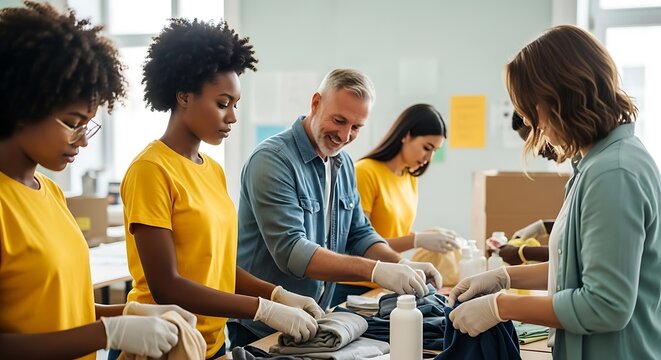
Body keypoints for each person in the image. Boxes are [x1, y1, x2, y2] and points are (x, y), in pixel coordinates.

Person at [448, 25, 661, 359]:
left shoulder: (613, 173)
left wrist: (501, 306)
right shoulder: (596, 165)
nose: (533, 125)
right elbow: (576, 269)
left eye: (532, 108)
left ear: (561, 96)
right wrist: (505, 277)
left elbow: (606, 305)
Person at [117, 19, 322, 359]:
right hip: (163, 345)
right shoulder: (151, 170)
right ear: (184, 96)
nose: (232, 117)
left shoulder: (211, 170)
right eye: (223, 103)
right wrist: (262, 309)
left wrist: (278, 295)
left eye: (236, 105)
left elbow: (217, 268)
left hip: (211, 345)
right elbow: (166, 285)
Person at [0, 2, 194, 359]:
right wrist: (108, 332)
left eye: (88, 124)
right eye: (73, 122)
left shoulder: (51, 192)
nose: (84, 140)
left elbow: (62, 311)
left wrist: (126, 314)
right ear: (21, 105)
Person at [230, 68, 443, 346]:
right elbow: (292, 251)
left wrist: (401, 263)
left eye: (356, 127)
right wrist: (376, 271)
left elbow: (359, 234)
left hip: (315, 322)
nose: (344, 136)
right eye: (339, 120)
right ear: (316, 103)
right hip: (261, 328)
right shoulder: (273, 161)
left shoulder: (343, 166)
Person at [331, 103, 460, 305]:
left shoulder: (409, 177)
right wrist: (417, 240)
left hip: (387, 284)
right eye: (426, 147)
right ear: (406, 135)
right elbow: (358, 243)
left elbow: (392, 233)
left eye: (435, 151)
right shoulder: (365, 172)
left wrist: (426, 241)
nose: (429, 158)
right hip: (355, 286)